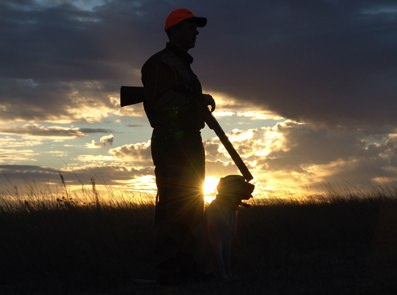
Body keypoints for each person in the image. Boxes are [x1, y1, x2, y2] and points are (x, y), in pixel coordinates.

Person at [141, 8, 215, 285]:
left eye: (195, 27)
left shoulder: (183, 66)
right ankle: (168, 272)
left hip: (189, 142)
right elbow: (160, 110)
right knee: (173, 206)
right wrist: (193, 106)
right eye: (189, 27)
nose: (195, 32)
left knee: (193, 205)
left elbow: (180, 102)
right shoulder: (160, 64)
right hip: (173, 144)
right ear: (173, 32)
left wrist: (198, 102)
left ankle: (189, 268)